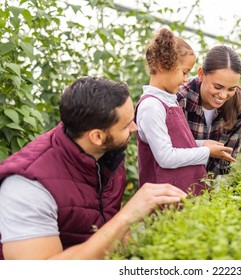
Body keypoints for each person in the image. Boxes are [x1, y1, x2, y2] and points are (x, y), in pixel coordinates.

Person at [0, 77, 187, 260]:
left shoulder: (105, 156)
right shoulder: (28, 186)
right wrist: (127, 216)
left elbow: (100, 233)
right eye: (126, 124)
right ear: (97, 136)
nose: (135, 127)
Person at [135, 28, 235, 196]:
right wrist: (206, 151)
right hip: (164, 198)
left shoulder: (169, 100)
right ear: (162, 66)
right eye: (184, 72)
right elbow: (166, 157)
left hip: (180, 193)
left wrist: (203, 144)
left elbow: (175, 145)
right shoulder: (151, 106)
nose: (187, 79)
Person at [177, 45, 241, 177]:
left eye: (231, 89)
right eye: (217, 86)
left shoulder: (240, 104)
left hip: (211, 181)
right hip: (178, 177)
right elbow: (173, 149)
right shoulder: (180, 98)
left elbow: (227, 157)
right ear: (201, 74)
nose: (223, 95)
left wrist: (210, 185)